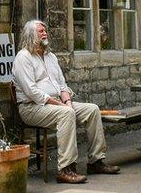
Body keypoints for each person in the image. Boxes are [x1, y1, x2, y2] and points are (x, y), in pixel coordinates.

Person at [11, 19, 120, 184]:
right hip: (31, 108)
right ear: (31, 35)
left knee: (92, 109)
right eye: (41, 31)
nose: (45, 33)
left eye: (45, 30)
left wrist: (67, 102)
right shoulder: (23, 57)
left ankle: (96, 161)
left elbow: (62, 84)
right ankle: (66, 169)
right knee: (66, 113)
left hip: (57, 104)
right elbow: (32, 92)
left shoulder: (51, 56)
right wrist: (63, 107)